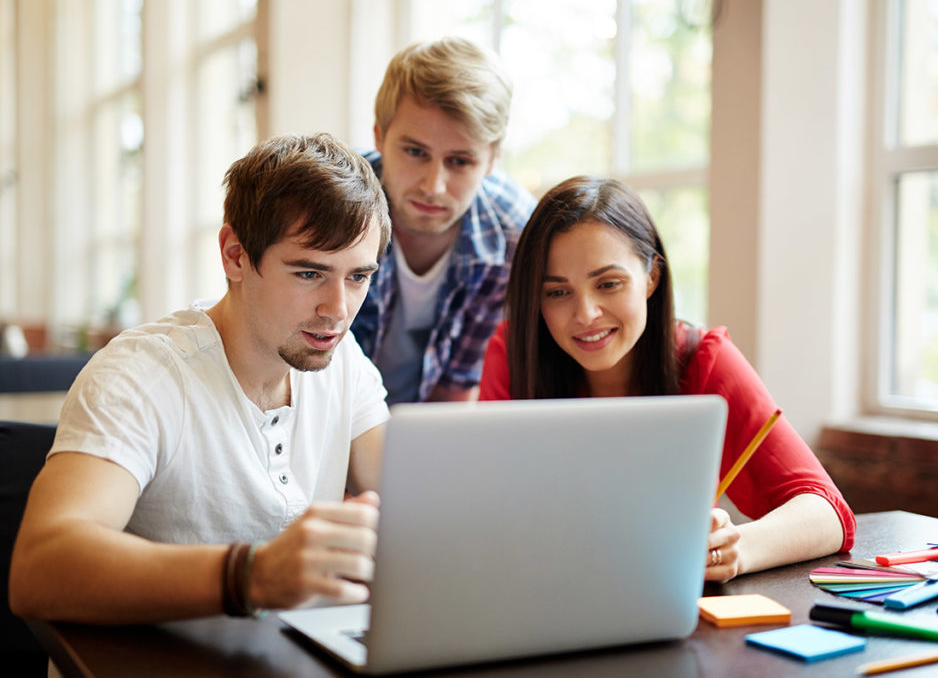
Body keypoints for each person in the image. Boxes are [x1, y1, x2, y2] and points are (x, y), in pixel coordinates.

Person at [10, 133, 391, 624]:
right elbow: (40, 570)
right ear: (235, 255)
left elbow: (418, 508)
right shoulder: (139, 376)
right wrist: (251, 575)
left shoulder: (345, 361)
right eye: (308, 273)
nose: (338, 310)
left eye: (358, 277)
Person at [478, 176, 856, 583]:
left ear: (652, 278)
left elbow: (829, 513)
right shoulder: (512, 355)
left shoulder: (703, 360)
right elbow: (483, 511)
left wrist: (736, 549)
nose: (585, 313)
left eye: (608, 284)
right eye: (557, 293)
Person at [352, 37, 537, 404]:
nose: (433, 187)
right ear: (380, 135)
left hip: (422, 429)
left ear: (492, 158)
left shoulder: (514, 236)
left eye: (459, 161)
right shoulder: (327, 204)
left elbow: (456, 388)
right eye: (415, 152)